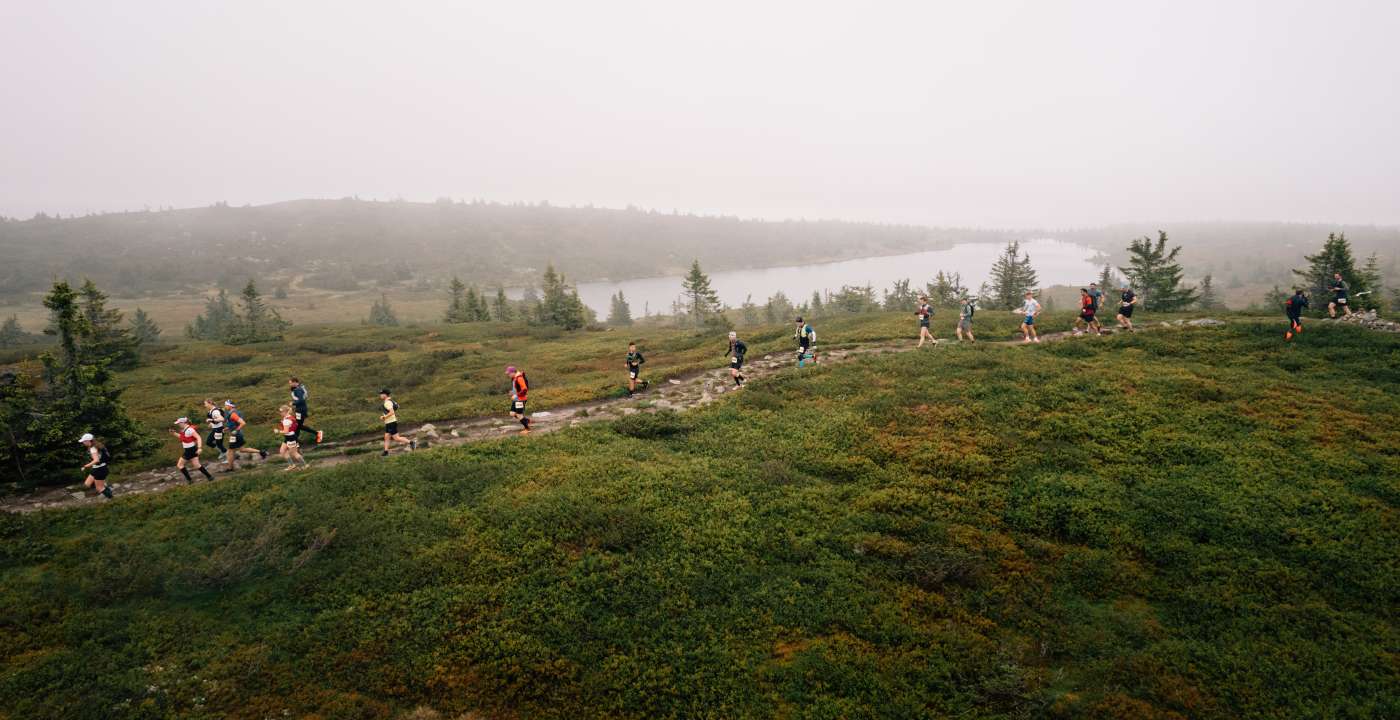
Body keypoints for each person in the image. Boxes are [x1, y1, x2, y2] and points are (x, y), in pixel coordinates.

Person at [222, 400, 268, 471]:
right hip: (238, 434)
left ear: (229, 406)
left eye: (225, 405)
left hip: (235, 435)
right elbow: (235, 423)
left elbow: (243, 423)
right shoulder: (235, 412)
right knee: (242, 449)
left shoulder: (233, 414)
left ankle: (230, 468)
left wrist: (235, 431)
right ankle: (262, 452)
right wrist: (227, 428)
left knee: (230, 451)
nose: (225, 407)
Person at [171, 417, 214, 484]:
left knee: (180, 465)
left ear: (183, 423)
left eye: (179, 423)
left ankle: (190, 480)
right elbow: (183, 438)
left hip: (190, 450)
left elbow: (198, 437)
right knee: (197, 465)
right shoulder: (185, 429)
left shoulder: (190, 430)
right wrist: (174, 433)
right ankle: (209, 477)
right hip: (192, 449)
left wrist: (200, 448)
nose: (178, 424)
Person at [379, 389, 416, 455]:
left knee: (396, 438)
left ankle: (411, 442)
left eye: (381, 394)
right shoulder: (390, 401)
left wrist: (384, 417)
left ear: (385, 394)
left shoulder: (387, 402)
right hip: (389, 422)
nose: (380, 395)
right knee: (386, 437)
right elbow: (397, 406)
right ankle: (386, 451)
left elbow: (392, 412)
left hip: (391, 422)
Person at [288, 377, 324, 445]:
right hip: (300, 410)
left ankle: (317, 433)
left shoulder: (298, 390)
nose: (290, 384)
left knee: (298, 425)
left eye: (290, 383)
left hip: (301, 410)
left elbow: (301, 400)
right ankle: (296, 441)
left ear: (295, 382)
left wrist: (293, 403)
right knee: (298, 425)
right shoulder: (298, 388)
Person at [79, 433, 113, 499]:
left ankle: (111, 498)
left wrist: (85, 466)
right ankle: (106, 487)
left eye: (83, 441)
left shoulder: (93, 448)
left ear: (88, 441)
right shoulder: (97, 445)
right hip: (97, 468)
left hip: (100, 469)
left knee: (99, 488)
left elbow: (96, 460)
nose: (83, 443)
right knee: (87, 484)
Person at [276, 404, 309, 470]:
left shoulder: (286, 420)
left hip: (291, 437)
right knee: (282, 451)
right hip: (289, 437)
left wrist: (278, 431)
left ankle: (305, 465)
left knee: (294, 453)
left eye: (281, 412)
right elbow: (289, 412)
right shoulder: (288, 416)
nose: (280, 413)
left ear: (285, 412)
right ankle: (292, 465)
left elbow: (286, 431)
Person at [202, 399, 228, 463]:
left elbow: (222, 419)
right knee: (208, 442)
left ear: (210, 403)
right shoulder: (211, 411)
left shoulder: (215, 411)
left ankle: (228, 457)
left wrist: (210, 420)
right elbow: (215, 420)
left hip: (219, 430)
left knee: (219, 445)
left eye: (205, 404)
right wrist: (211, 423)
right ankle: (222, 452)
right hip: (215, 429)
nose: (204, 405)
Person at [507, 366, 531, 434]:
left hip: (520, 399)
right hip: (516, 399)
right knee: (512, 413)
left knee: (519, 415)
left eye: (509, 373)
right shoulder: (514, 378)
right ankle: (526, 420)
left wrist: (516, 395)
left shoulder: (519, 378)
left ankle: (527, 429)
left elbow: (524, 389)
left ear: (513, 372)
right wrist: (512, 392)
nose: (508, 375)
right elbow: (517, 388)